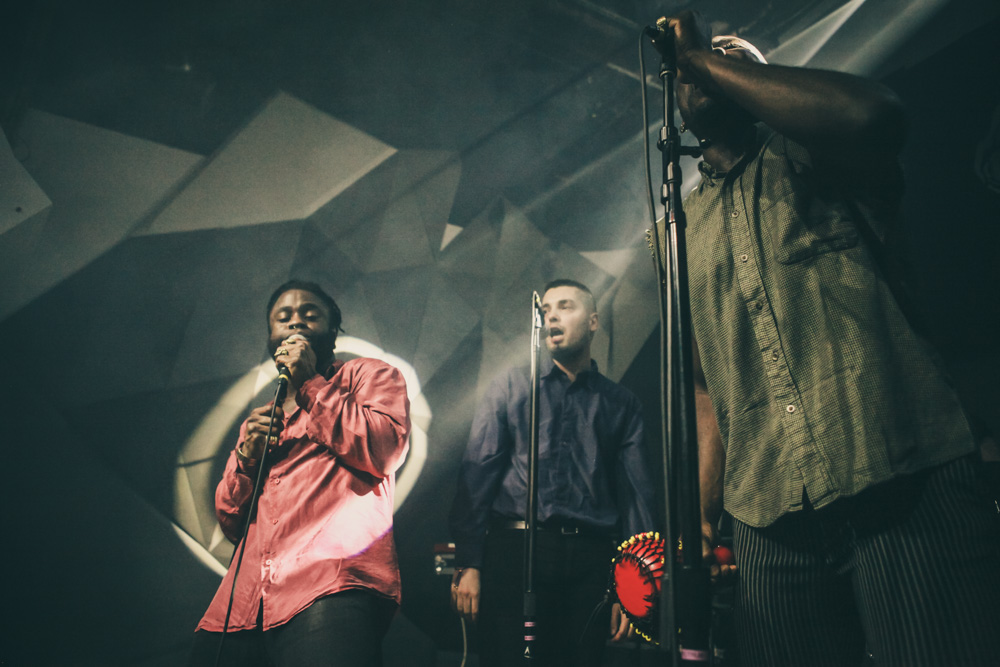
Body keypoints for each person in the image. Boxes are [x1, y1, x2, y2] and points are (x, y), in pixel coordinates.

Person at [654, 11, 1000, 666]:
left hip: (898, 473)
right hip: (768, 515)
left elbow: (875, 115)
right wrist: (700, 518)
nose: (705, 65)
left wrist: (702, 59)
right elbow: (704, 386)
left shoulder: (816, 154)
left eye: (731, 57)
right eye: (695, 66)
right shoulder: (676, 229)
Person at [188, 280, 410, 667]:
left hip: (329, 587)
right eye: (283, 317)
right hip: (240, 608)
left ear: (333, 330)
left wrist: (310, 383)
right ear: (271, 337)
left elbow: (383, 448)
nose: (295, 322)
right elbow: (231, 521)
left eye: (310, 314)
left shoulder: (368, 375)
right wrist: (247, 457)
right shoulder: (261, 420)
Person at [449, 279, 656, 667]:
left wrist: (634, 587)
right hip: (515, 550)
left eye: (565, 306)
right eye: (545, 310)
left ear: (593, 321)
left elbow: (637, 498)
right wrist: (469, 563)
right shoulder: (510, 386)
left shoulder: (620, 403)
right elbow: (476, 477)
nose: (552, 316)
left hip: (590, 559)